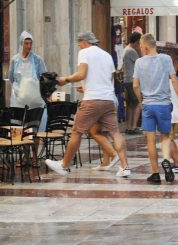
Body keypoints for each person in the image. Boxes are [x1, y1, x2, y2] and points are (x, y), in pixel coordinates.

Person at [45, 32, 131, 178]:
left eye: (79, 43)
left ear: (84, 41)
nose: (78, 46)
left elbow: (81, 74)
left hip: (92, 100)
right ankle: (125, 167)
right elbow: (107, 79)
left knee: (77, 131)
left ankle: (64, 165)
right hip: (108, 99)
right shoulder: (107, 55)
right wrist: (86, 87)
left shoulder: (85, 52)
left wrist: (64, 79)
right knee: (115, 133)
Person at [133, 33, 178, 184]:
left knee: (150, 140)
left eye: (142, 47)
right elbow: (174, 80)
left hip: (148, 105)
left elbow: (135, 85)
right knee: (165, 137)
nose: (141, 49)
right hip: (164, 105)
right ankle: (166, 160)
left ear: (146, 46)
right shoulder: (166, 59)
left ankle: (155, 173)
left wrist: (141, 100)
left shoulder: (139, 62)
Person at [8, 31, 47, 166]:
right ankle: (24, 157)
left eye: (30, 43)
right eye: (26, 43)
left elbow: (44, 77)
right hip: (18, 99)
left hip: (34, 99)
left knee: (34, 128)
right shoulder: (15, 60)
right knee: (20, 128)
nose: (28, 46)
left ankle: (35, 156)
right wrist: (20, 90)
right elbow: (11, 78)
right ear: (21, 43)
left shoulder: (37, 60)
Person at [122, 32, 142, 135]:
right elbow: (141, 64)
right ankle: (134, 127)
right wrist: (140, 51)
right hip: (132, 80)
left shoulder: (126, 49)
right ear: (137, 41)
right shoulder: (132, 51)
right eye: (139, 42)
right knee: (138, 104)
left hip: (127, 80)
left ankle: (129, 127)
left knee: (130, 105)